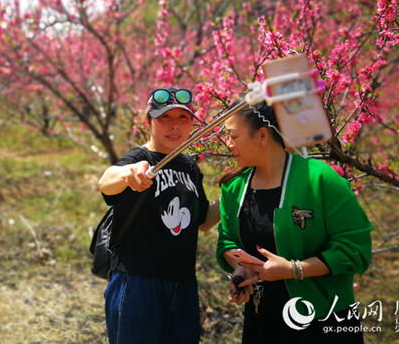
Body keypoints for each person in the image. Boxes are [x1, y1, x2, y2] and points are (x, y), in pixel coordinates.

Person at [216, 100, 372, 343]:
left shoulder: (319, 178)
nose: (228, 143)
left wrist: (293, 270)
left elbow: (353, 249)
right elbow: (227, 241)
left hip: (323, 320)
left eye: (233, 136)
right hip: (263, 319)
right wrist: (241, 267)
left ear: (262, 135)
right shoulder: (234, 187)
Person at [98, 86, 220, 344]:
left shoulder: (189, 166)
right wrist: (129, 174)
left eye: (183, 118)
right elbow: (106, 182)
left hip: (183, 283)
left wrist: (234, 192)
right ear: (148, 122)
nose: (174, 125)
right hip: (137, 283)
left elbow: (203, 222)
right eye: (165, 117)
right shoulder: (139, 159)